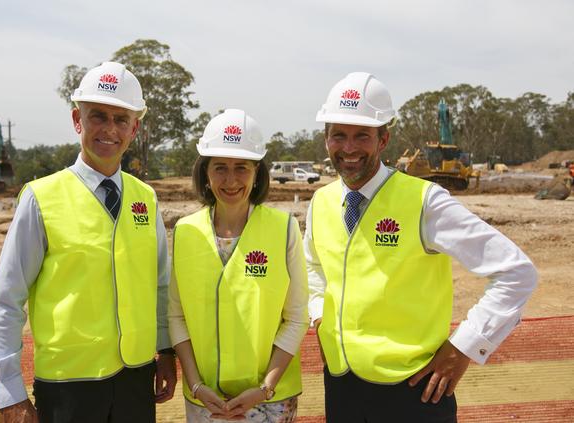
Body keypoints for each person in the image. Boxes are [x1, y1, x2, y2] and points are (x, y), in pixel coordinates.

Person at [306, 72, 538, 422]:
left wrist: (464, 348)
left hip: (413, 390)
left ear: (383, 139)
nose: (349, 148)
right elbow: (315, 267)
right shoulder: (321, 202)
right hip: (342, 385)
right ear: (326, 139)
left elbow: (516, 272)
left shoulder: (425, 202)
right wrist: (320, 315)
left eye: (362, 136)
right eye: (339, 135)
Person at [0, 61, 176, 423]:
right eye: (98, 116)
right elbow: (6, 300)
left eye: (121, 119)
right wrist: (9, 393)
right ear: (78, 120)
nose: (110, 129)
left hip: (136, 379)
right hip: (68, 387)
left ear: (134, 128)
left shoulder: (145, 198)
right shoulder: (41, 198)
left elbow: (160, 284)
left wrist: (165, 351)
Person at [168, 109, 309, 422]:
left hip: (270, 400)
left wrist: (265, 388)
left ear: (257, 172)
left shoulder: (283, 229)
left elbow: (297, 317)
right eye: (220, 168)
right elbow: (177, 316)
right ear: (205, 172)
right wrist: (196, 385)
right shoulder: (185, 232)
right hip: (206, 400)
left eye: (241, 168)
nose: (230, 180)